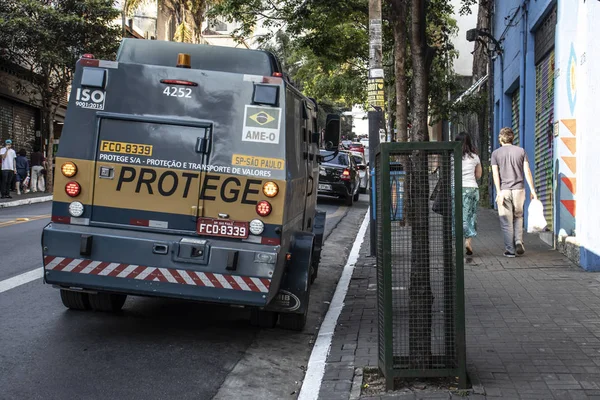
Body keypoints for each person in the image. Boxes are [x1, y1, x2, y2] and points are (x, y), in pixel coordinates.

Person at [491, 127, 537, 258]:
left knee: (506, 221)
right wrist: (532, 190)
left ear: (500, 138)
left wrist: (498, 192)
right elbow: (527, 171)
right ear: (512, 138)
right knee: (518, 216)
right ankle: (518, 241)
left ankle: (510, 250)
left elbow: (495, 173)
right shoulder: (521, 151)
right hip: (519, 190)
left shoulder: (496, 153)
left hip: (504, 191)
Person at [455, 132, 482, 256]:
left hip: (455, 188)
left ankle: (456, 245)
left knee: (457, 216)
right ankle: (468, 242)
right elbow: (478, 175)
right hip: (471, 188)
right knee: (470, 216)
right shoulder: (474, 157)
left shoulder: (452, 156)